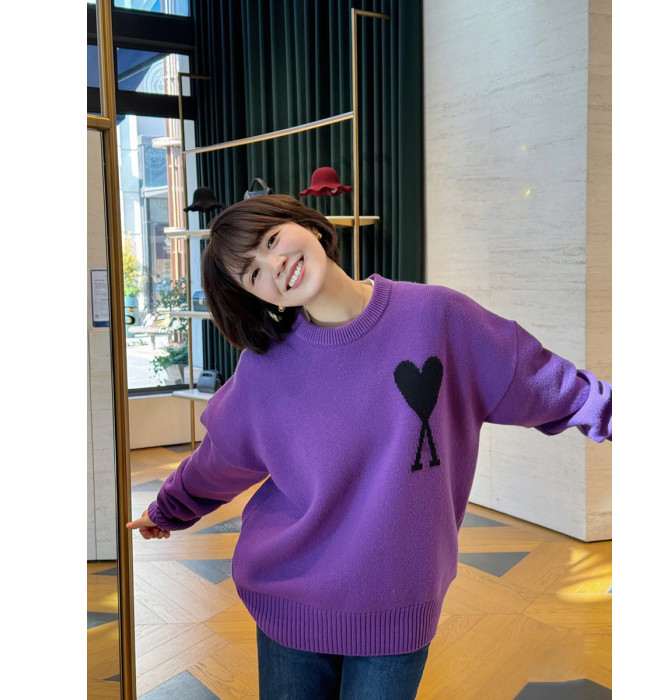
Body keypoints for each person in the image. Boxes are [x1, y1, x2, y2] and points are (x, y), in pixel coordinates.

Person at [127, 194, 612, 700]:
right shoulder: (265, 369)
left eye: (271, 240)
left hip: (399, 602)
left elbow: (540, 381)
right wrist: (169, 508)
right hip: (290, 599)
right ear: (258, 298)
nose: (275, 265)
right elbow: (221, 458)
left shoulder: (437, 316)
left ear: (309, 226)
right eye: (253, 274)